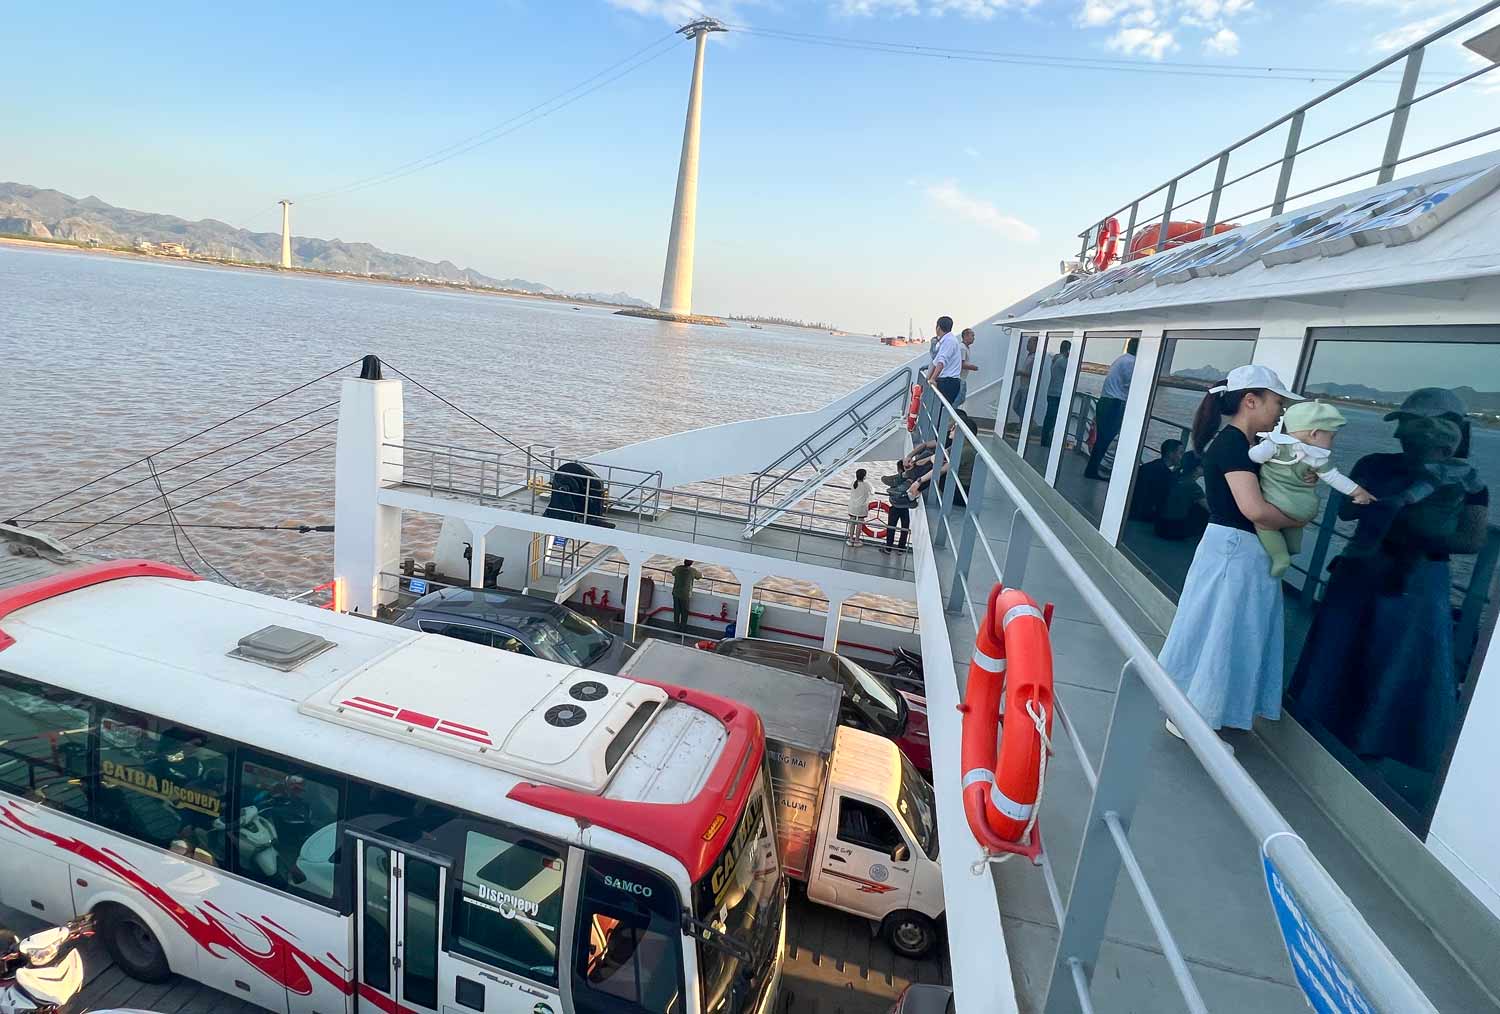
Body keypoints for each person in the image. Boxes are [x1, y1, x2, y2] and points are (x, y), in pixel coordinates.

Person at [1290, 388, 1489, 779]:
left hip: (1370, 571)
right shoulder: (1470, 482)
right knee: (1396, 664)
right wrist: (1421, 529)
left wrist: (1390, 518)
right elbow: (1471, 539)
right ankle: (1369, 747)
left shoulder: (1375, 464)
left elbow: (1347, 510)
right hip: (1418, 581)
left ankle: (1319, 724)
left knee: (1342, 652)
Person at [1157, 364, 1305, 745]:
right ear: (1250, 401)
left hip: (1231, 549)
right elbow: (1253, 509)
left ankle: (1191, 712)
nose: (1280, 411)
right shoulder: (1235, 446)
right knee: (1221, 632)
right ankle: (1195, 719)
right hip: (1236, 551)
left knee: (1213, 630)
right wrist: (1296, 518)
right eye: (1277, 402)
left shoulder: (1237, 445)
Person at [1246, 401, 1373, 577]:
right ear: (1314, 434)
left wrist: (1253, 449)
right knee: (1293, 526)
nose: (1332, 442)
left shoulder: (1275, 445)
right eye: (1331, 437)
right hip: (1305, 508)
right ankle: (1292, 547)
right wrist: (1358, 492)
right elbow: (1335, 478)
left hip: (1277, 502)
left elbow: (1255, 457)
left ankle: (1280, 556)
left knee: (1264, 526)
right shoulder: (1317, 458)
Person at [1083, 338, 1138, 479]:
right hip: (1114, 404)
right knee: (1105, 439)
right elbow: (1132, 384)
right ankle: (1092, 471)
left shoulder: (1121, 359)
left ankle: (1092, 469)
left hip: (1106, 401)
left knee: (1102, 438)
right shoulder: (1131, 362)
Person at [1154, 450, 1209, 541]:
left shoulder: (1173, 476)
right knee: (1204, 512)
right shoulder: (1193, 487)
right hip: (1172, 531)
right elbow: (1210, 509)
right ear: (1197, 468)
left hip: (1158, 525)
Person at [1130, 438, 1184, 523]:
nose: (1182, 457)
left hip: (1132, 508)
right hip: (1143, 514)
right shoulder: (1166, 475)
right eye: (1180, 453)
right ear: (1171, 454)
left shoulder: (1151, 466)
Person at [924, 316, 963, 411]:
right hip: (945, 381)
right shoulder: (946, 341)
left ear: (938, 327)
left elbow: (941, 362)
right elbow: (935, 362)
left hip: (949, 382)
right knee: (936, 410)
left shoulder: (949, 341)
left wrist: (932, 379)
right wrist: (927, 379)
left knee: (940, 410)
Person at [1039, 339, 1072, 445]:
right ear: (1068, 350)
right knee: (1054, 418)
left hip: (1052, 391)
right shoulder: (1063, 361)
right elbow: (1072, 372)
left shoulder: (1056, 358)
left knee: (1049, 417)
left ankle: (1044, 439)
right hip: (1058, 393)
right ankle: (1049, 441)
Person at [670, 559, 701, 631]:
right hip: (685, 595)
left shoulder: (677, 568)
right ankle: (682, 629)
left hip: (676, 593)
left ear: (684, 562)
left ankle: (676, 629)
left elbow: (673, 573)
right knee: (684, 613)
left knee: (676, 612)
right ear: (692, 563)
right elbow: (700, 576)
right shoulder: (693, 571)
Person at [846, 468, 874, 547]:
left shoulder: (853, 483)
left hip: (852, 506)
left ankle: (851, 539)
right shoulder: (867, 485)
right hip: (862, 507)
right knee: (859, 524)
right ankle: (857, 540)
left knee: (852, 523)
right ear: (864, 476)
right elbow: (872, 492)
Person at [956, 328, 979, 406]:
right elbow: (961, 364)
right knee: (959, 399)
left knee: (961, 399)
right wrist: (974, 367)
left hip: (962, 378)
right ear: (965, 336)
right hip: (959, 378)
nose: (974, 338)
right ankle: (950, 414)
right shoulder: (962, 348)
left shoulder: (966, 348)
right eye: (972, 336)